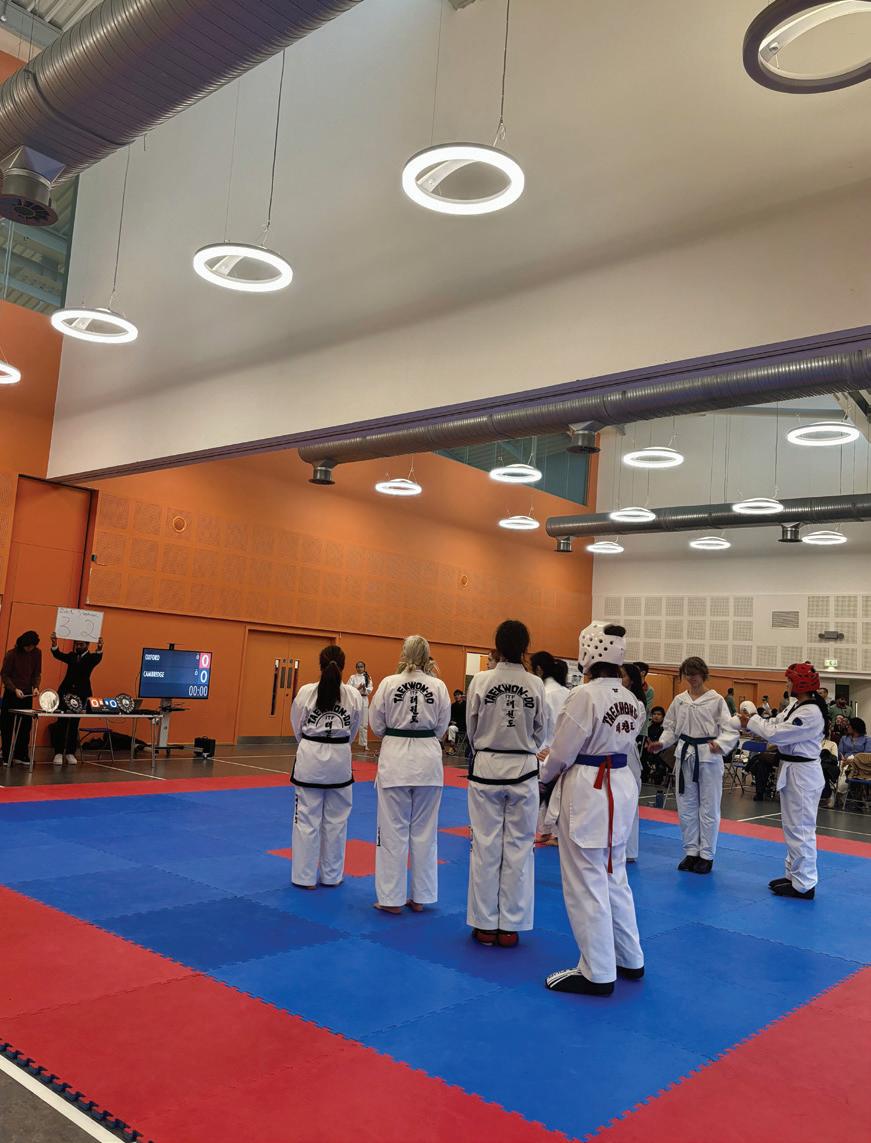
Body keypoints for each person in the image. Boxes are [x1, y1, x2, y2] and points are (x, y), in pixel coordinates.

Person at [541, 621, 645, 996]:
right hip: (620, 784)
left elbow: (562, 752)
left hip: (589, 788)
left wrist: (543, 775)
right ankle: (629, 957)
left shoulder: (583, 696)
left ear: (588, 652)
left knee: (586, 879)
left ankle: (597, 971)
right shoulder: (631, 699)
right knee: (614, 874)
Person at [465, 620, 546, 947]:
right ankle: (510, 927)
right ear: (525, 647)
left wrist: (486, 746)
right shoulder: (535, 684)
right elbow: (541, 730)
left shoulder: (481, 680)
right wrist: (523, 744)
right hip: (523, 769)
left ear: (497, 645)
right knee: (519, 847)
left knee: (485, 845)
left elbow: (471, 726)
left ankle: (485, 925)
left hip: (487, 767)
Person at [369, 635, 450, 914]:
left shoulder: (389, 683)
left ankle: (391, 899)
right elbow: (442, 727)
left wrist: (396, 732)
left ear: (403, 654)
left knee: (392, 831)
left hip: (396, 759)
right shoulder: (438, 686)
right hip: (428, 760)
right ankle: (420, 897)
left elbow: (376, 724)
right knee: (425, 831)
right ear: (428, 656)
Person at [738, 662, 827, 899]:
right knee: (791, 826)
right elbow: (774, 725)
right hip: (792, 769)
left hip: (803, 774)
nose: (787, 684)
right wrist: (753, 723)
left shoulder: (810, 712)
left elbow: (777, 734)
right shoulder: (796, 706)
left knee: (801, 828)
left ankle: (804, 883)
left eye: (789, 680)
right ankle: (793, 875)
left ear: (799, 683)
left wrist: (753, 720)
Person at [648, 657, 737, 874]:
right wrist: (662, 743)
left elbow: (730, 730)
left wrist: (721, 744)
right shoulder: (680, 700)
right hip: (685, 755)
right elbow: (670, 728)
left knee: (708, 807)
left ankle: (706, 855)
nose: (691, 677)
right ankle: (691, 851)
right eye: (687, 674)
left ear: (703, 674)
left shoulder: (716, 700)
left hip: (709, 757)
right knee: (686, 806)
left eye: (694, 673)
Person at [290, 645, 363, 889]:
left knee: (306, 820)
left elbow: (297, 726)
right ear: (344, 666)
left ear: (320, 664)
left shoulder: (306, 692)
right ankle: (332, 876)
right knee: (336, 822)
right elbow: (354, 730)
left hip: (310, 759)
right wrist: (339, 745)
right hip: (339, 760)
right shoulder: (353, 695)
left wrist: (310, 743)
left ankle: (304, 877)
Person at [530, 650, 571, 847]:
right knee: (554, 794)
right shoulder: (566, 693)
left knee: (544, 793)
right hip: (563, 749)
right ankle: (548, 831)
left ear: (539, 669)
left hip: (544, 749)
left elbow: (540, 725)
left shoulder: (545, 693)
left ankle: (551, 832)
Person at [49, 631, 104, 766]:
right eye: (77, 644)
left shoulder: (91, 658)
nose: (78, 647)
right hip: (65, 693)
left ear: (87, 645)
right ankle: (58, 752)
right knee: (61, 723)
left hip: (81, 694)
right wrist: (54, 644)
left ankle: (70, 753)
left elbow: (98, 657)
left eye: (81, 644)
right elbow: (58, 654)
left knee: (74, 724)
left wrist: (100, 647)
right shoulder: (72, 656)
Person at [620, 662, 648, 863]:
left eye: (622, 675)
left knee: (629, 803)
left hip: (627, 755)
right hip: (610, 754)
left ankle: (629, 851)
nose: (618, 679)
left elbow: (630, 732)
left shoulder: (637, 704)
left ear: (631, 680)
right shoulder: (611, 698)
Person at [1, 631, 41, 766]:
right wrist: (14, 689)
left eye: (32, 646)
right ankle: (6, 756)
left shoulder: (37, 653)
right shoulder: (12, 654)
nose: (30, 649)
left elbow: (36, 673)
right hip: (11, 694)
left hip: (26, 694)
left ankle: (21, 755)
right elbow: (5, 675)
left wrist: (36, 687)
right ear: (22, 644)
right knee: (7, 726)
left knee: (25, 726)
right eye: (27, 646)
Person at [347, 661, 373, 751]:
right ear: (356, 668)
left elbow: (370, 689)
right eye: (358, 667)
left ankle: (364, 744)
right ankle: (348, 742)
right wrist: (358, 688)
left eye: (361, 666)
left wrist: (365, 688)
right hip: (354, 700)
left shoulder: (367, 677)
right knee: (351, 720)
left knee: (364, 723)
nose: (359, 668)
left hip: (364, 699)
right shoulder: (352, 677)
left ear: (364, 668)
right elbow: (348, 689)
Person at [642, 706, 668, 783]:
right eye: (654, 714)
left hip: (660, 755)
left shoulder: (665, 730)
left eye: (659, 714)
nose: (656, 716)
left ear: (663, 717)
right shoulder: (647, 729)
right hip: (647, 753)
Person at [446, 689, 466, 755]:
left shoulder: (466, 705)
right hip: (454, 725)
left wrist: (457, 723)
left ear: (461, 696)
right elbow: (451, 716)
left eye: (458, 695)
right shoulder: (453, 705)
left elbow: (466, 718)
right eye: (455, 695)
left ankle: (452, 747)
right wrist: (451, 721)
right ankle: (444, 744)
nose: (456, 696)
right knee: (447, 727)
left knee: (451, 728)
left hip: (463, 726)